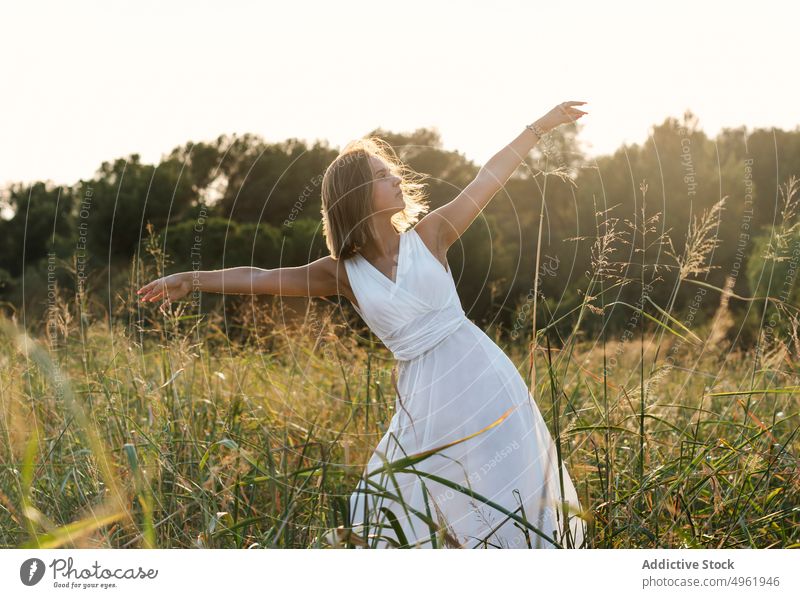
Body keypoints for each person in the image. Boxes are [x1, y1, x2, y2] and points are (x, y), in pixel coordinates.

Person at [137, 101, 589, 548]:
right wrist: (190, 279)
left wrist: (541, 126)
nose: (396, 177)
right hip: (422, 395)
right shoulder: (342, 273)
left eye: (391, 171)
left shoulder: (432, 234)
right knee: (391, 501)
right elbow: (262, 279)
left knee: (508, 484)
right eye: (380, 175)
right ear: (355, 195)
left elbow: (488, 177)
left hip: (482, 377)